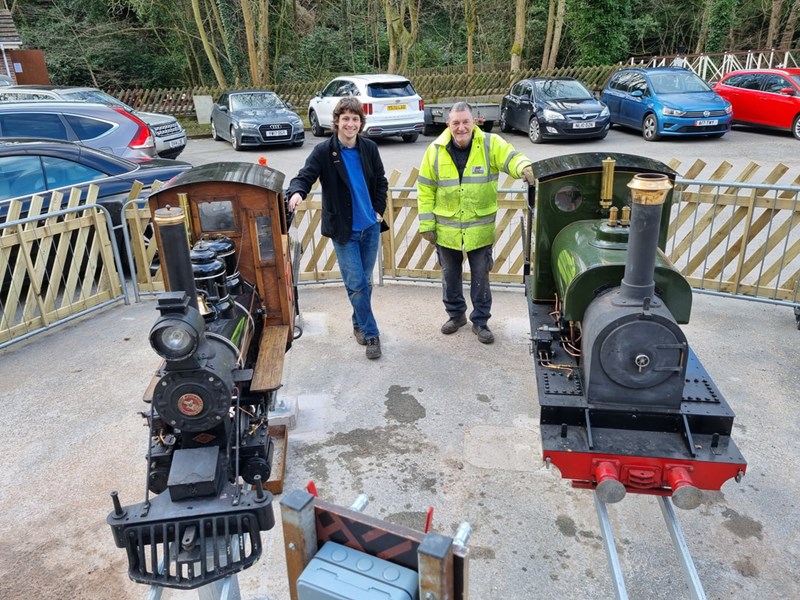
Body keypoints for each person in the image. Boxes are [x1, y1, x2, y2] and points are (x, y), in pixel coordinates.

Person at [417, 101, 535, 345]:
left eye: (465, 122)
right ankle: (456, 316)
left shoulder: (491, 144)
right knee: (450, 276)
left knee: (481, 276)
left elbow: (511, 158)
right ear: (447, 124)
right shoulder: (435, 150)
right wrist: (427, 224)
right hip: (447, 230)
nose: (461, 128)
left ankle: (480, 321)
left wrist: (524, 167)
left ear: (475, 121)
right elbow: (425, 189)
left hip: (479, 230)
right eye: (456, 123)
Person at [286, 98, 388, 359]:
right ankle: (372, 333)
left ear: (360, 123)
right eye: (346, 119)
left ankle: (358, 324)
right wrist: (297, 193)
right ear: (337, 122)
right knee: (356, 283)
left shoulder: (369, 148)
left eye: (355, 119)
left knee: (364, 282)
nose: (350, 124)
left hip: (370, 227)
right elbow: (304, 176)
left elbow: (381, 181)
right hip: (345, 231)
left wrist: (378, 211)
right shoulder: (324, 152)